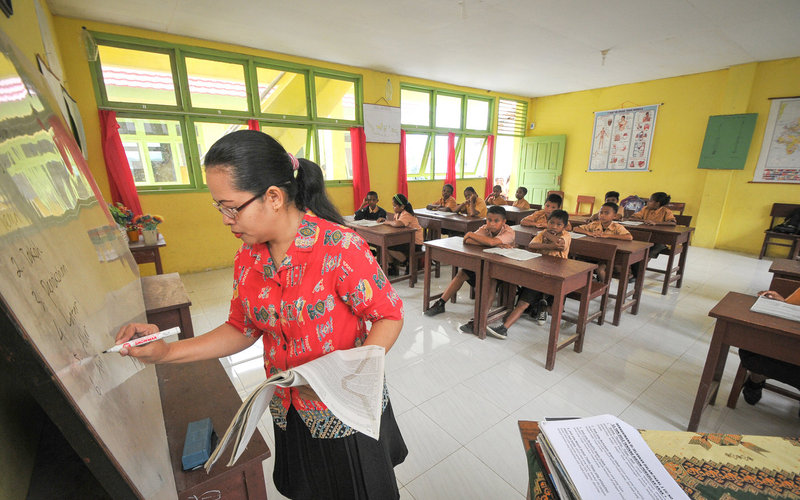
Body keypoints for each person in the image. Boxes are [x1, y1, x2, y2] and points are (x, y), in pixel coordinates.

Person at [113, 130, 407, 500]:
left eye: (231, 206)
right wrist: (167, 351)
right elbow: (242, 327)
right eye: (219, 207)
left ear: (273, 197)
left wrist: (346, 375)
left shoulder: (340, 248)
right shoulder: (248, 258)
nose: (225, 218)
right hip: (289, 408)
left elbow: (389, 316)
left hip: (343, 410)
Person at [424, 205, 515, 331]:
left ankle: (480, 319)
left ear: (504, 222)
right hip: (482, 263)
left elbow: (488, 242)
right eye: (489, 220)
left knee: (491, 282)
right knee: (461, 274)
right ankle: (441, 303)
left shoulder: (509, 232)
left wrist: (473, 235)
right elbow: (467, 241)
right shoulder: (485, 228)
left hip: (501, 270)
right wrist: (482, 240)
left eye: (496, 221)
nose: (492, 224)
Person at [486, 210, 571, 339]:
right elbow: (532, 245)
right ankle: (503, 328)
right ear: (547, 222)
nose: (554, 226)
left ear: (564, 227)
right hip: (538, 273)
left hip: (556, 276)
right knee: (523, 303)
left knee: (554, 309)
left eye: (558, 225)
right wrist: (549, 242)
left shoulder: (566, 235)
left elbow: (560, 245)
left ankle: (541, 306)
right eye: (551, 223)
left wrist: (548, 236)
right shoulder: (542, 234)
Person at [740, 287, 800, 416]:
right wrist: (783, 303)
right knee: (750, 349)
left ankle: (756, 379)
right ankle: (756, 379)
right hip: (788, 341)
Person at [573, 202, 632, 281]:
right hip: (593, 254)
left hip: (608, 258)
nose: (602, 215)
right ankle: (590, 283)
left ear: (614, 216)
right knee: (577, 265)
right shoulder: (594, 224)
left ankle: (604, 288)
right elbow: (575, 228)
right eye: (601, 212)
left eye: (606, 213)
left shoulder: (617, 227)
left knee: (600, 270)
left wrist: (607, 235)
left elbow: (629, 237)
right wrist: (589, 233)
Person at [379, 193, 423, 275]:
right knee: (385, 244)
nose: (393, 208)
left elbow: (397, 224)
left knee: (388, 246)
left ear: (402, 206)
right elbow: (395, 223)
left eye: (395, 206)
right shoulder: (398, 213)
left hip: (415, 242)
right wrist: (386, 221)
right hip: (406, 239)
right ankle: (392, 267)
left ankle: (407, 263)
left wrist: (386, 222)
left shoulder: (406, 214)